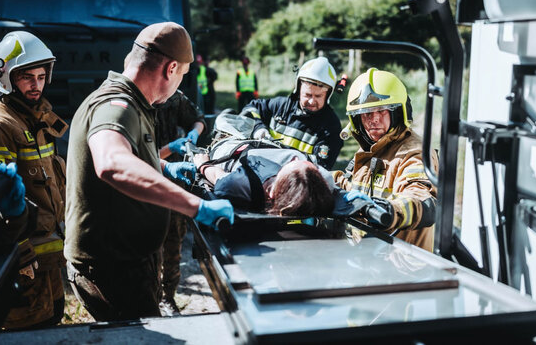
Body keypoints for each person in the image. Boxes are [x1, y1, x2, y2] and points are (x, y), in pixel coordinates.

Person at [64, 22, 234, 322]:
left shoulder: (138, 104)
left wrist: (165, 167)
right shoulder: (116, 105)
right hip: (112, 269)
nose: (180, 83)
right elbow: (112, 162)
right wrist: (197, 207)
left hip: (127, 262)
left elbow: (131, 156)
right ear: (170, 69)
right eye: (182, 75)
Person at [0, 31, 69, 329]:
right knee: (27, 332)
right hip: (22, 262)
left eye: (42, 76)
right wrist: (21, 254)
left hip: (49, 258)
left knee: (52, 321)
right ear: (7, 78)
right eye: (27, 77)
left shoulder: (36, 116)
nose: (36, 85)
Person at [333, 68, 438, 252]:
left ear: (398, 112)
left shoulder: (414, 153)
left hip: (402, 267)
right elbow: (354, 192)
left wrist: (389, 211)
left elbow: (419, 197)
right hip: (368, 261)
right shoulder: (370, 149)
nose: (372, 120)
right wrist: (321, 178)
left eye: (380, 111)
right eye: (365, 114)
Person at [155, 89, 206, 316]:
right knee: (149, 249)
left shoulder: (174, 97)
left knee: (173, 245)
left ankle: (167, 298)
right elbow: (136, 158)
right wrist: (169, 149)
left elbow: (198, 119)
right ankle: (150, 298)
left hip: (176, 185)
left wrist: (194, 133)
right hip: (148, 185)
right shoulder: (135, 102)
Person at [241, 56, 343, 169]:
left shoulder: (331, 126)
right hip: (260, 170)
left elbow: (320, 166)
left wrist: (278, 153)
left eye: (318, 96)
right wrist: (258, 127)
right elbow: (250, 108)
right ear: (299, 90)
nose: (312, 101)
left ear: (328, 95)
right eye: (307, 95)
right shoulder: (281, 106)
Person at [193, 144, 334, 216]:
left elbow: (218, 175)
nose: (296, 158)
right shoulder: (321, 187)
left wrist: (202, 165)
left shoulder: (241, 184)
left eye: (294, 164)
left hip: (231, 151)